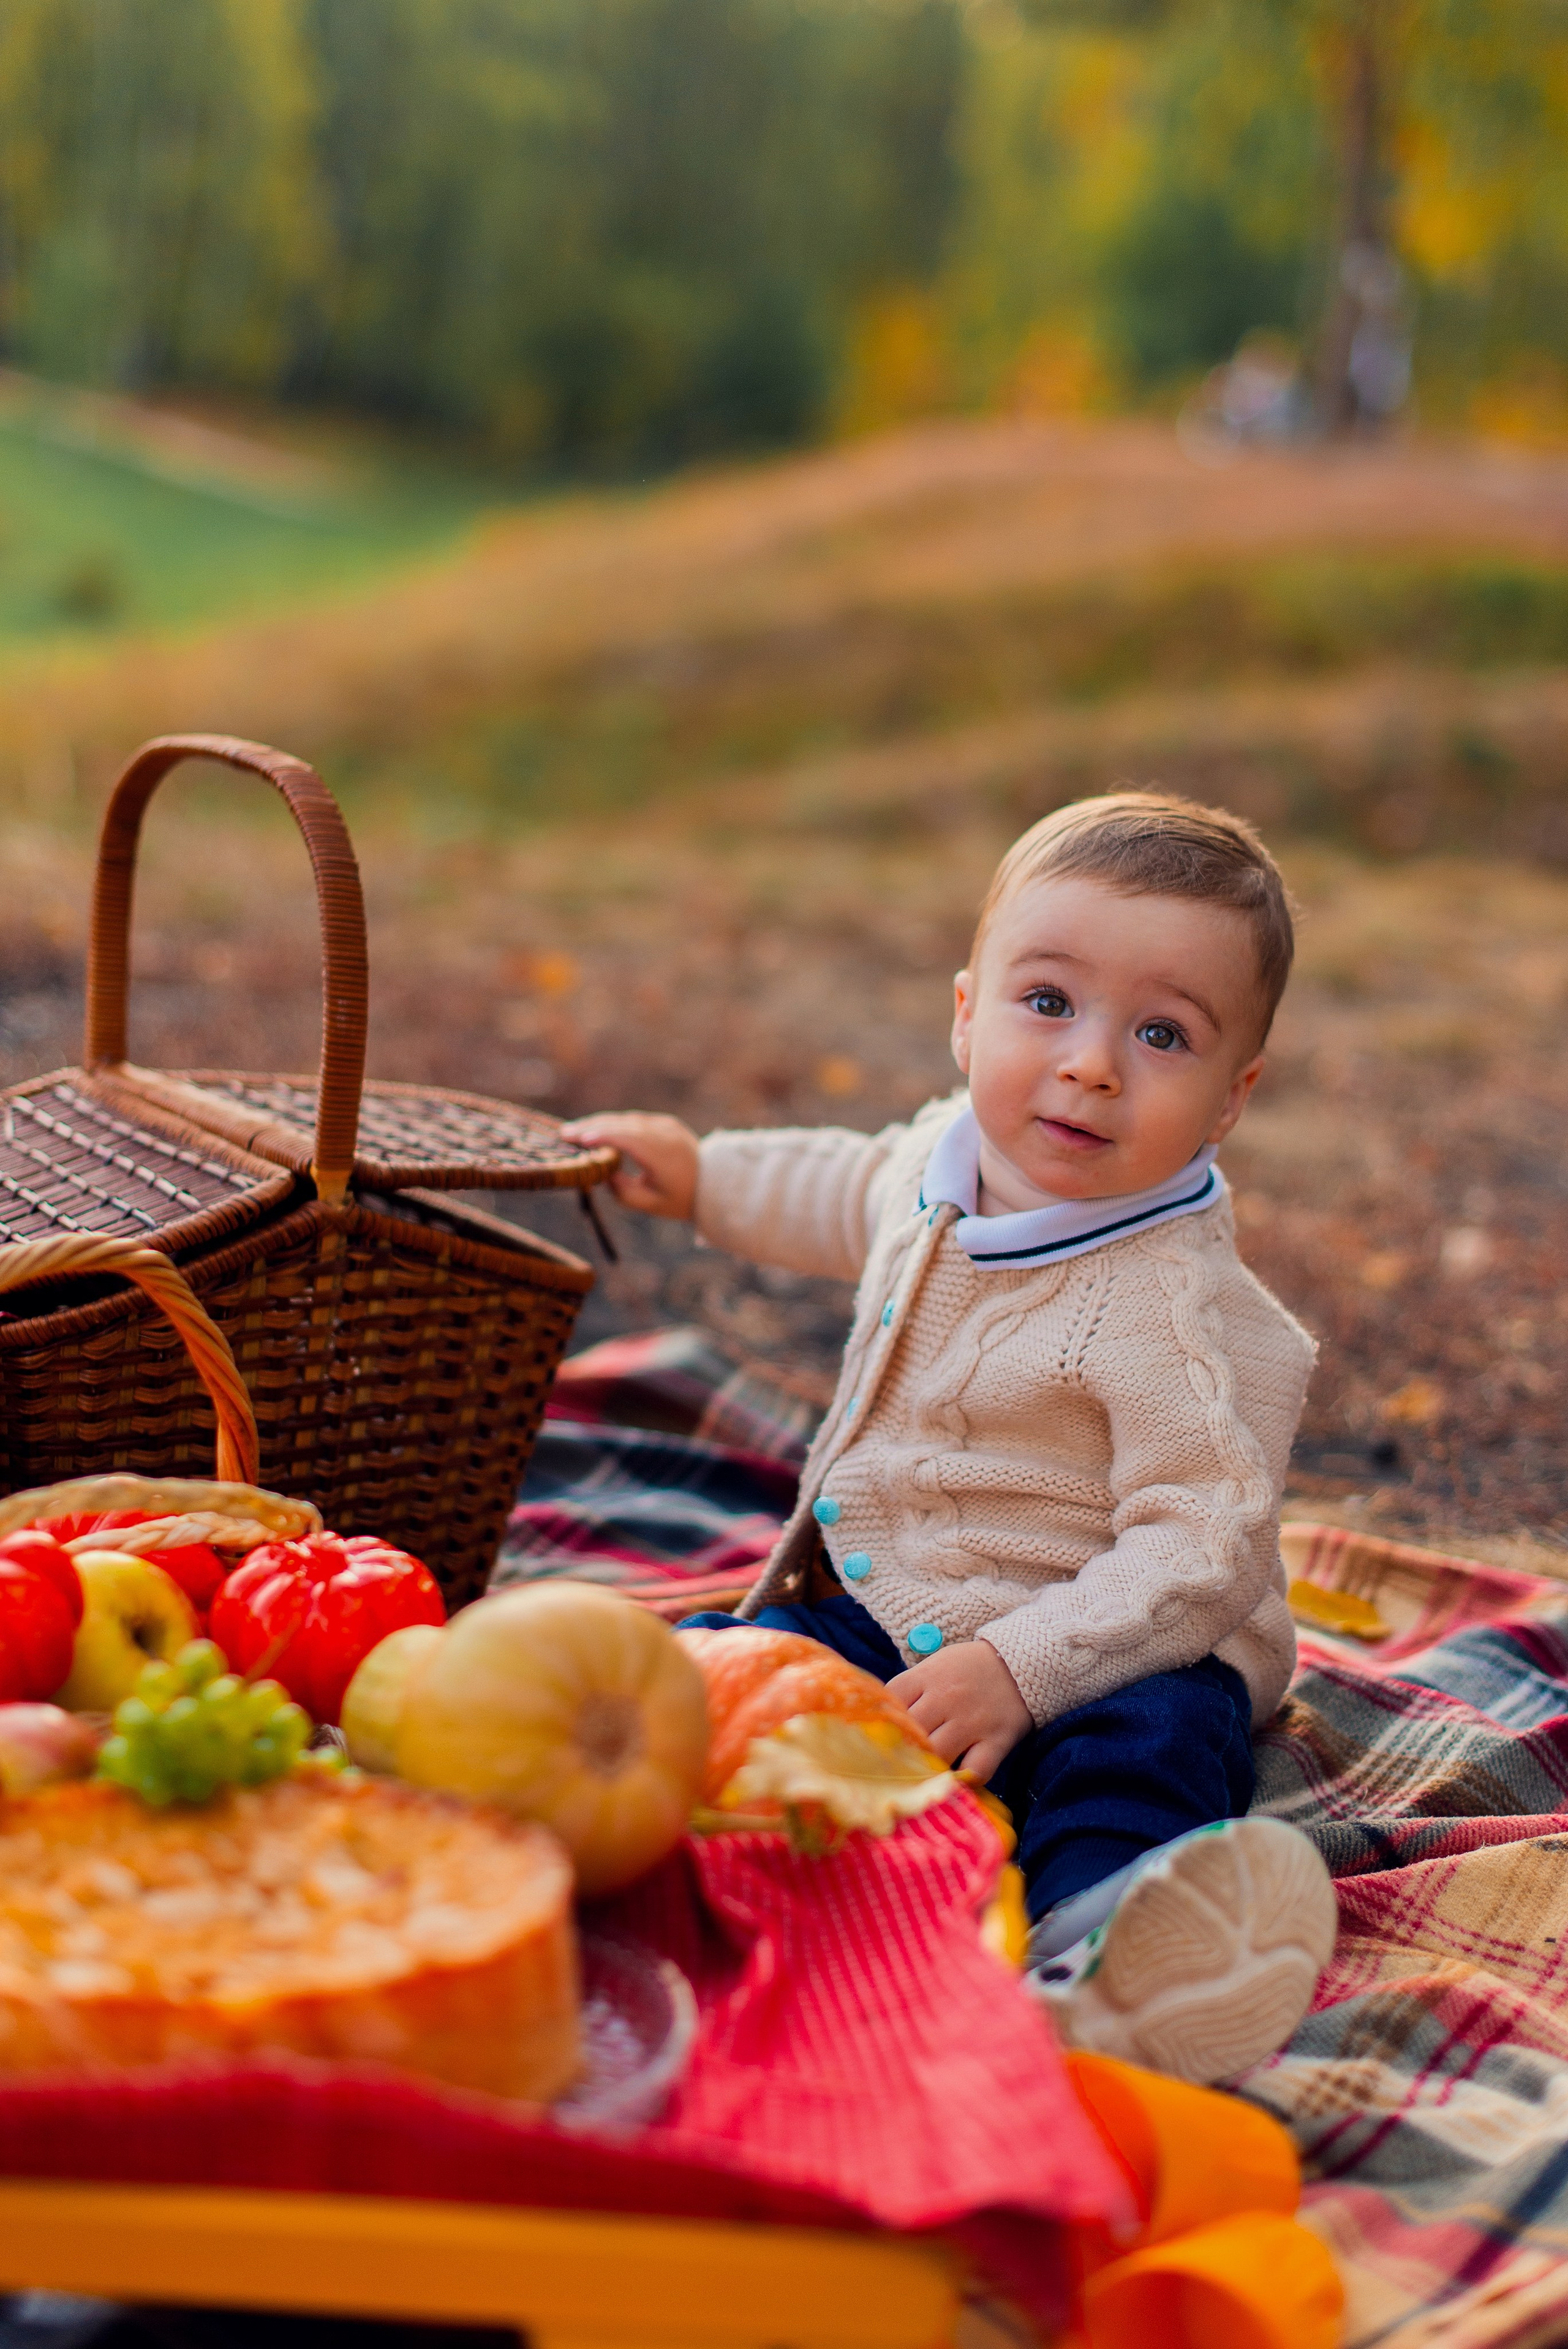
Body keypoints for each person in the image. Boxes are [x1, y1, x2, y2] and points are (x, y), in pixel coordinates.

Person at [563, 791, 1337, 2084]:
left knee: (1145, 1754)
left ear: (1228, 1098)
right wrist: (698, 1172)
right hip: (893, 1597)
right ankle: (645, 1869)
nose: (1090, 1062)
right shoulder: (942, 1155)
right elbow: (830, 1183)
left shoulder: (1161, 1310)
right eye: (1049, 1003)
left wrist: (1021, 1671)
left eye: (1159, 1034)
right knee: (718, 1678)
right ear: (966, 1011)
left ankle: (1101, 1965)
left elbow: (1197, 1554)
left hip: (1116, 1634)